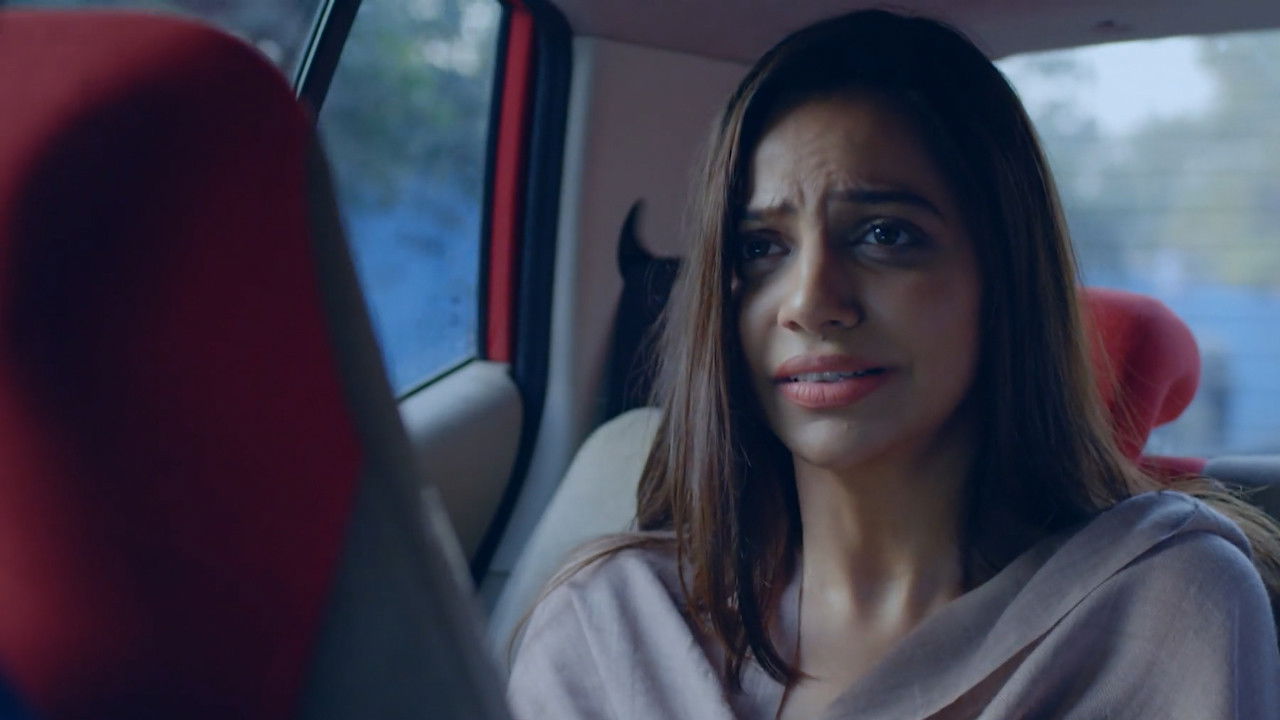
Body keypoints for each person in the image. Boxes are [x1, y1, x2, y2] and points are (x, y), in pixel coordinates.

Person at [506, 9, 1280, 719]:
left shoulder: (1162, 608)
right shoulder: (607, 622)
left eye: (885, 235)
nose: (810, 302)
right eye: (760, 247)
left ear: (1004, 276)